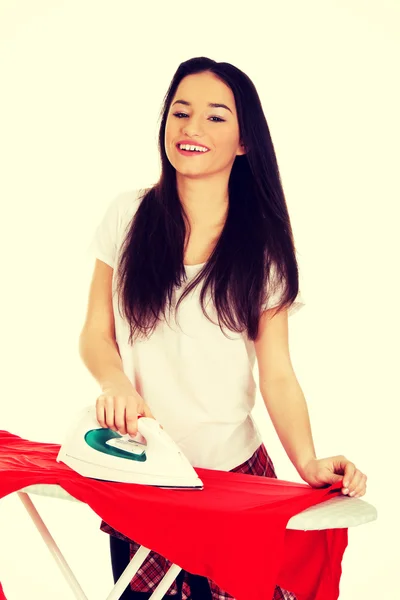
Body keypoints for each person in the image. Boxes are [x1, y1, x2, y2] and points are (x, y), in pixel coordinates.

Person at [79, 56, 367, 600]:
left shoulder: (263, 249)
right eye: (180, 112)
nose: (191, 128)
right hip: (141, 476)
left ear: (244, 141)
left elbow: (277, 373)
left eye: (215, 117)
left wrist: (307, 461)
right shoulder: (127, 216)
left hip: (233, 478)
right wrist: (115, 385)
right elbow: (96, 334)